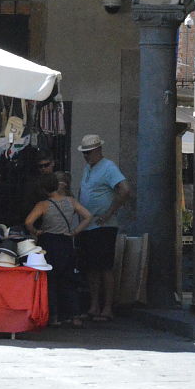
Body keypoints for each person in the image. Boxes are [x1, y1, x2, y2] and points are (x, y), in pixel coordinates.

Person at [76, 133, 132, 321]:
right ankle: (94, 306)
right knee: (92, 268)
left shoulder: (108, 167)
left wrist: (109, 213)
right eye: (85, 153)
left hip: (103, 226)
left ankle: (107, 308)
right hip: (88, 226)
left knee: (105, 267)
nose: (86, 156)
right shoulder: (88, 168)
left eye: (89, 152)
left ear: (99, 150)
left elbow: (125, 189)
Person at [25, 172, 93, 327]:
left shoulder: (42, 205)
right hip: (66, 242)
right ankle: (74, 315)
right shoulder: (71, 201)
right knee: (69, 280)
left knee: (51, 280)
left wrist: (36, 232)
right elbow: (88, 216)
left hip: (48, 242)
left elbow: (28, 222)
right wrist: (75, 231)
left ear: (43, 189)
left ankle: (54, 316)